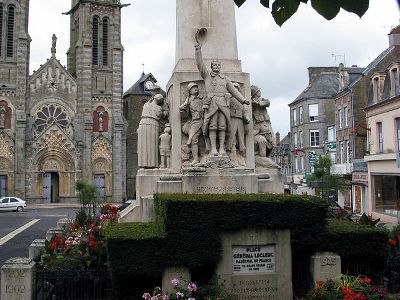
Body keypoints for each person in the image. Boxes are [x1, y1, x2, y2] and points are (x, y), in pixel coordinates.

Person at [195, 42, 250, 156]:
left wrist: (243, 100)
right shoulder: (207, 76)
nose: (217, 67)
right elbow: (200, 65)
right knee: (212, 126)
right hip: (212, 103)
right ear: (211, 67)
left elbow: (233, 91)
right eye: (215, 65)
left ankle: (222, 148)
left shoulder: (225, 78)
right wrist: (198, 50)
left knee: (222, 126)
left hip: (224, 105)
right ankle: (213, 148)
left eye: (218, 65)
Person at [137, 94, 167, 168]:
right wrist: (165, 112)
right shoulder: (159, 108)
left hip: (143, 124)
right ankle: (152, 164)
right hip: (152, 125)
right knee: (152, 145)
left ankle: (143, 164)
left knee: (144, 145)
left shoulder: (146, 105)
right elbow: (162, 115)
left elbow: (150, 102)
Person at [180, 82, 204, 164]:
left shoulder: (202, 98)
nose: (196, 89)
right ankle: (196, 159)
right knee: (193, 139)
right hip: (195, 121)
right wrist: (186, 102)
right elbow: (182, 108)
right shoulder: (189, 100)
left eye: (196, 87)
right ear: (190, 91)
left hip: (204, 120)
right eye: (193, 88)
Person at [251, 85, 274, 157]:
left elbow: (268, 102)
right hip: (258, 125)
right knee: (263, 141)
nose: (260, 92)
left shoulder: (262, 100)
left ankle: (267, 156)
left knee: (272, 143)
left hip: (266, 123)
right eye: (258, 91)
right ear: (255, 93)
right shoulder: (251, 101)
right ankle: (261, 156)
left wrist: (259, 103)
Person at [228, 82, 250, 155]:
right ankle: (231, 149)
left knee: (241, 136)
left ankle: (241, 151)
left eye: (237, 88)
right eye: (234, 88)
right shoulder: (228, 98)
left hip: (240, 119)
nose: (235, 90)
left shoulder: (242, 101)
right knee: (232, 135)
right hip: (232, 118)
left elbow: (244, 111)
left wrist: (246, 117)